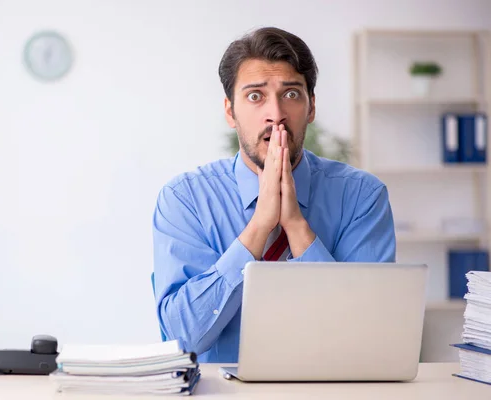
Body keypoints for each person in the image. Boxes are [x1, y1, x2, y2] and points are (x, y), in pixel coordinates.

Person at [151, 27, 396, 363]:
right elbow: (183, 338)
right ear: (230, 112)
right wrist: (258, 228)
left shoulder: (362, 196)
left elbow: (368, 335)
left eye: (292, 94)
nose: (276, 114)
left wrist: (296, 226)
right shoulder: (185, 200)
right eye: (255, 96)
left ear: (310, 108)